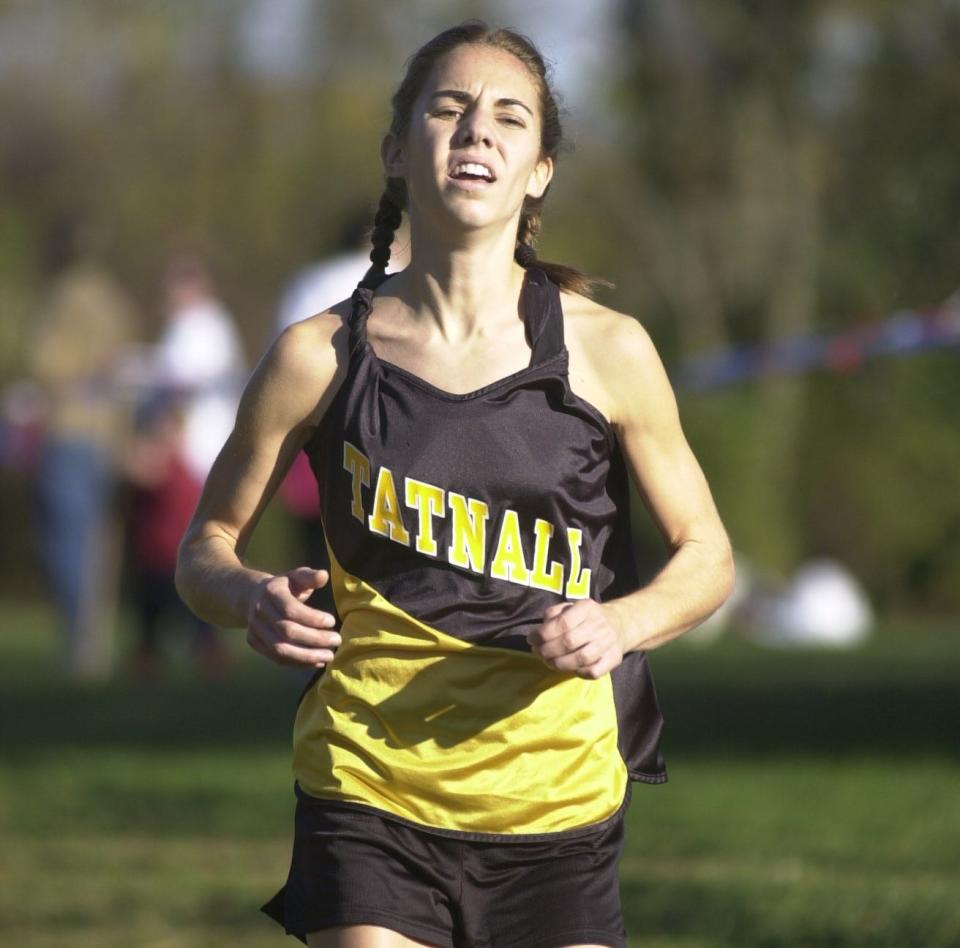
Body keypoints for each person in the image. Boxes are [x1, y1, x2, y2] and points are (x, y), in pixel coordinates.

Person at [176, 21, 735, 948]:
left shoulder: (608, 348)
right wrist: (250, 598)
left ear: (539, 169)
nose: (478, 130)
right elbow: (205, 548)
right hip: (369, 785)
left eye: (509, 117)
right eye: (450, 107)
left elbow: (708, 556)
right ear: (398, 151)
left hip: (554, 800)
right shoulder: (316, 356)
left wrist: (622, 622)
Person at [27, 212, 141, 678]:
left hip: (70, 429)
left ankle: (81, 649)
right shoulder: (116, 301)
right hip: (109, 433)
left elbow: (43, 363)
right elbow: (129, 369)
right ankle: (96, 641)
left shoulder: (61, 298)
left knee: (67, 540)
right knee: (100, 545)